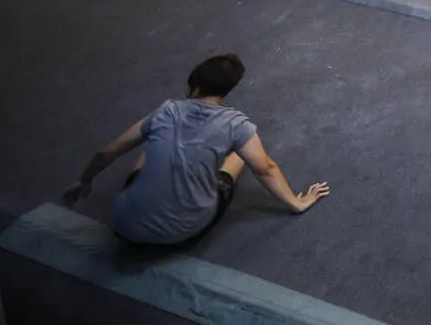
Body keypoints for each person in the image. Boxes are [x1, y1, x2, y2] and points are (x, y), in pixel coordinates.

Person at [61, 53, 328, 247]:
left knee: (151, 145)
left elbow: (108, 152)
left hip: (124, 227)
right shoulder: (236, 124)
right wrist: (296, 202)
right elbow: (265, 168)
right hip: (180, 235)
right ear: (228, 90)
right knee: (238, 155)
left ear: (195, 84)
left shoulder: (167, 111)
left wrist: (83, 180)